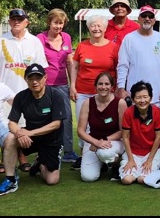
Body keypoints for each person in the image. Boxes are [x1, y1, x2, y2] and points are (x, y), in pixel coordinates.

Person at [0, 64, 67, 196]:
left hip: (51, 140)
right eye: (31, 78)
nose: (34, 82)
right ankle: (10, 179)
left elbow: (56, 124)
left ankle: (39, 164)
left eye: (38, 78)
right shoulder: (21, 97)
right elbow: (12, 123)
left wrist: (29, 133)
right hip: (29, 138)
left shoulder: (56, 95)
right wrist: (19, 133)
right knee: (10, 138)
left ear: (45, 78)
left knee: (52, 180)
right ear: (25, 79)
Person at [0, 8, 48, 172]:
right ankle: (4, 159)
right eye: (13, 19)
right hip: (5, 94)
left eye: (20, 19)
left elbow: (42, 69)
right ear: (9, 22)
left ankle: (22, 158)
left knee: (23, 127)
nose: (16, 22)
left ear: (26, 22)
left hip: (27, 93)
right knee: (5, 127)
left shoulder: (34, 41)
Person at [70, 15, 119, 170]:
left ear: (105, 28)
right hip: (84, 92)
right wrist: (72, 85)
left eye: (99, 26)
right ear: (89, 28)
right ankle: (85, 155)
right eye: (93, 26)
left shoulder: (113, 47)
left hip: (107, 94)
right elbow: (75, 67)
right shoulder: (82, 46)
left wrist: (117, 89)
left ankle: (104, 154)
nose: (96, 29)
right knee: (84, 126)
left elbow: (119, 69)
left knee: (106, 125)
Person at [36, 9, 77, 163]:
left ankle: (68, 151)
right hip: (45, 86)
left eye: (61, 23)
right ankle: (43, 152)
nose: (58, 26)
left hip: (62, 85)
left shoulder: (66, 38)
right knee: (45, 118)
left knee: (66, 117)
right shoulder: (40, 38)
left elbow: (69, 63)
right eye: (56, 23)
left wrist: (72, 85)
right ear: (49, 22)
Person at [120, 81, 160, 188]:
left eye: (145, 97)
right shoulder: (128, 113)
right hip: (134, 151)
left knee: (142, 179)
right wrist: (131, 160)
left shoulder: (157, 112)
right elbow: (125, 137)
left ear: (150, 97)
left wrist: (149, 160)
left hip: (152, 151)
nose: (142, 101)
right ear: (133, 99)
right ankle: (135, 166)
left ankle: (159, 167)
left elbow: (159, 137)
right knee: (127, 180)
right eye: (138, 97)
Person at [116, 5, 160, 105]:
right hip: (134, 95)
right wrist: (121, 87)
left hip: (156, 96)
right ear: (139, 19)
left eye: (150, 16)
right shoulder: (129, 39)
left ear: (154, 20)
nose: (147, 19)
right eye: (144, 16)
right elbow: (122, 65)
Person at [76, 72, 127, 182]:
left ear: (112, 87)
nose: (103, 87)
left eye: (107, 84)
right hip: (93, 143)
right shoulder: (87, 103)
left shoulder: (120, 103)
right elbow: (80, 131)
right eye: (100, 84)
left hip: (114, 141)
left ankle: (116, 164)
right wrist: (95, 142)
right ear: (95, 86)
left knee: (105, 153)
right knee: (88, 177)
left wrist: (102, 141)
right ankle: (103, 163)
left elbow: (123, 131)